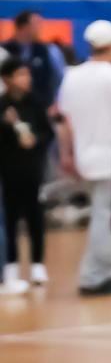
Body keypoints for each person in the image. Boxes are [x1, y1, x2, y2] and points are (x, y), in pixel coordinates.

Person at [56, 20, 111, 296]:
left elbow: (65, 120)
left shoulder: (72, 76)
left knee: (100, 212)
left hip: (84, 157)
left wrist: (67, 153)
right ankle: (94, 275)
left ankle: (97, 270)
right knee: (105, 215)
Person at [0, 58, 53, 288]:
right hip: (8, 172)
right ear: (7, 79)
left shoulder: (35, 103)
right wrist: (7, 126)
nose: (26, 79)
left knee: (35, 217)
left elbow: (47, 133)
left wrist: (36, 140)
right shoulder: (3, 105)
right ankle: (11, 265)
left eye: (27, 74)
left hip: (33, 170)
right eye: (20, 74)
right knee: (10, 219)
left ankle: (37, 264)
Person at [2, 11, 59, 105]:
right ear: (24, 26)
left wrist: (51, 102)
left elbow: (51, 79)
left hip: (38, 106)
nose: (40, 27)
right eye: (37, 23)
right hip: (9, 105)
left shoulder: (43, 50)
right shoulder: (5, 50)